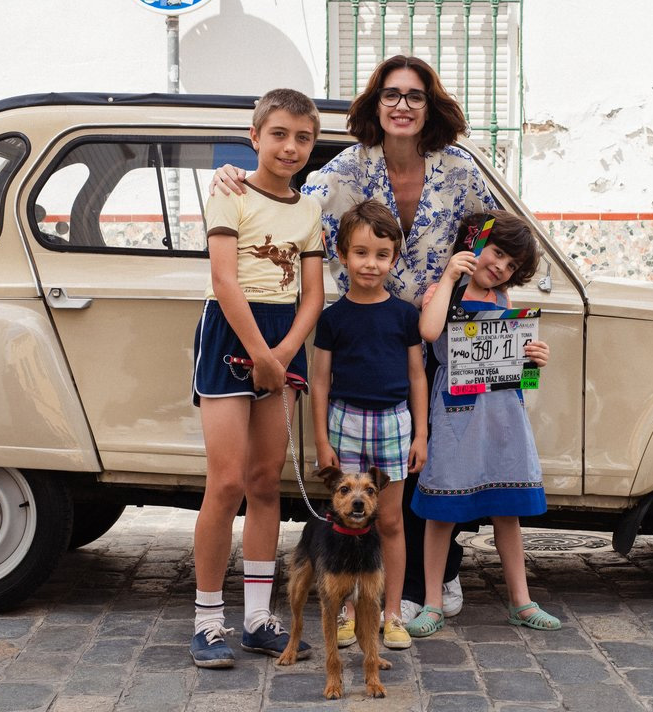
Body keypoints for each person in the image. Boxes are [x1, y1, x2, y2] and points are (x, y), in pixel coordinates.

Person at [212, 55, 497, 620]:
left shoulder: (459, 166)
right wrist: (237, 178)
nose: (402, 106)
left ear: (429, 105)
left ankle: (441, 570)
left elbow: (488, 225)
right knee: (379, 463)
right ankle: (377, 588)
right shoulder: (347, 168)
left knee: (433, 453)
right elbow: (290, 204)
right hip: (364, 328)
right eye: (391, 95)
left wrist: (462, 277)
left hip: (438, 333)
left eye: (414, 96)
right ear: (375, 103)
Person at [189, 88, 326, 668]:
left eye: (302, 137)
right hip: (231, 333)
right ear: (255, 137)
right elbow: (225, 281)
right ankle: (206, 620)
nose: (290, 146)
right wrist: (261, 355)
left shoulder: (309, 209)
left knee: (266, 481)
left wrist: (286, 353)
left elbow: (313, 292)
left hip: (282, 336)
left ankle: (257, 618)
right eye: (279, 134)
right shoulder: (229, 192)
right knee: (225, 483)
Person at [404, 211, 561, 638]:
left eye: (511, 266)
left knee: (507, 510)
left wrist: (533, 357)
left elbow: (514, 367)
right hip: (455, 415)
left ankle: (521, 601)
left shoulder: (503, 301)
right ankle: (432, 602)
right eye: (497, 254)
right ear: (476, 246)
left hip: (501, 415)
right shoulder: (442, 292)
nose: (500, 267)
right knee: (441, 512)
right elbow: (429, 330)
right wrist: (452, 275)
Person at [311, 200, 427, 651]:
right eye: (360, 252)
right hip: (346, 422)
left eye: (381, 254)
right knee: (346, 524)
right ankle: (348, 611)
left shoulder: (403, 315)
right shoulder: (332, 318)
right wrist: (322, 439)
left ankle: (391, 612)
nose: (370, 264)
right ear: (342, 253)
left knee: (391, 522)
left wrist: (421, 433)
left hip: (395, 423)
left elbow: (417, 375)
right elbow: (320, 382)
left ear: (394, 258)